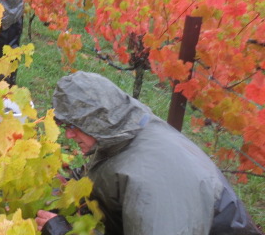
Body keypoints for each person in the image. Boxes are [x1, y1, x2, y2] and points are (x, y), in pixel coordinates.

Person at [36, 71, 261, 235]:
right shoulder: (123, 130)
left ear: (95, 122)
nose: (69, 136)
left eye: (74, 127)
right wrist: (67, 186)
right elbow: (106, 170)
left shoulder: (153, 187)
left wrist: (63, 233)